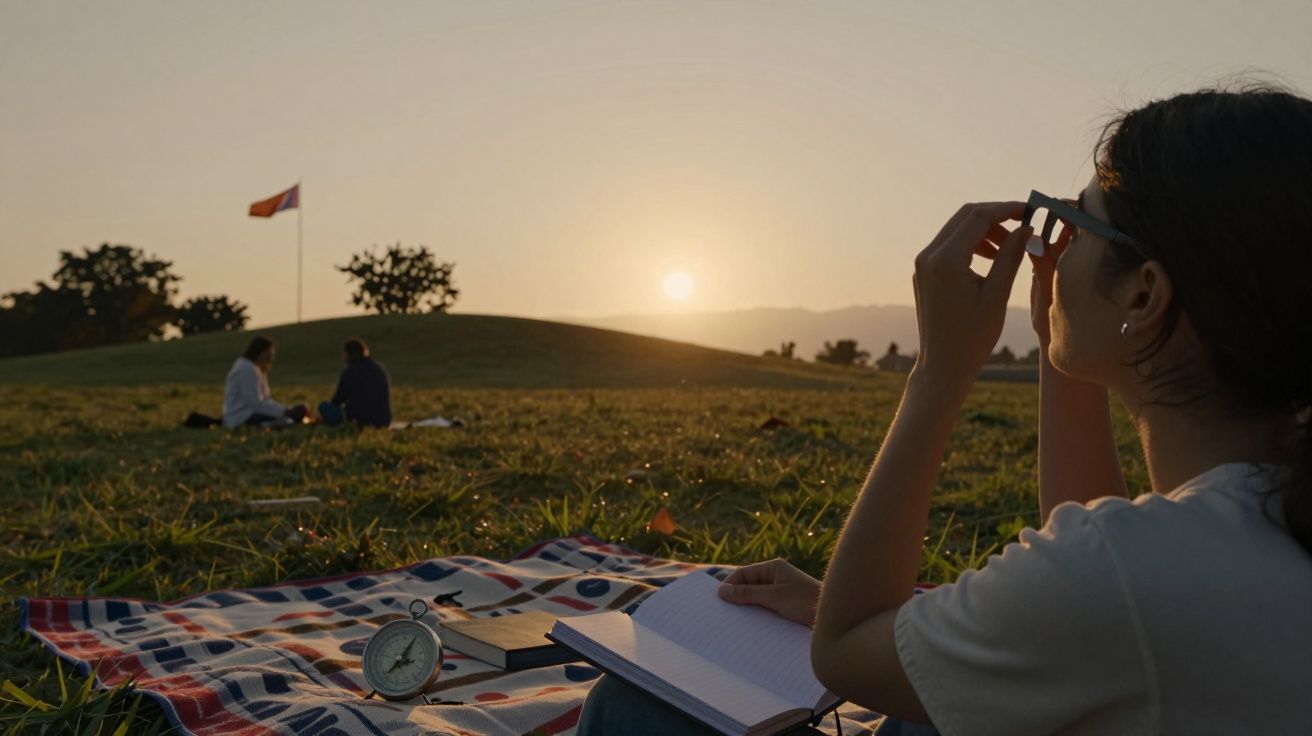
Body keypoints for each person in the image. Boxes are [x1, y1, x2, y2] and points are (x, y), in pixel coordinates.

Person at [579, 84, 1312, 734]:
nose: (1055, 246)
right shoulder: (1249, 516)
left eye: (1077, 221)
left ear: (1144, 294)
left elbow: (846, 654)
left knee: (630, 708)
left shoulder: (1124, 572)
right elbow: (1100, 570)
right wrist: (1061, 351)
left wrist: (939, 371)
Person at [222, 336, 308, 428]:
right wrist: (284, 411)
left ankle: (284, 420)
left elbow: (264, 400)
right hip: (243, 416)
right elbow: (255, 403)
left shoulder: (254, 368)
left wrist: (285, 409)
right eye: (269, 355)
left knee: (300, 410)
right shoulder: (246, 369)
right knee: (294, 415)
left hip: (249, 413)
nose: (271, 360)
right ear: (261, 353)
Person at [318, 337, 392, 428]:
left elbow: (337, 399)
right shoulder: (379, 368)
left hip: (359, 420)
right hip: (383, 421)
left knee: (323, 406)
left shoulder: (350, 371)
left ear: (349, 353)